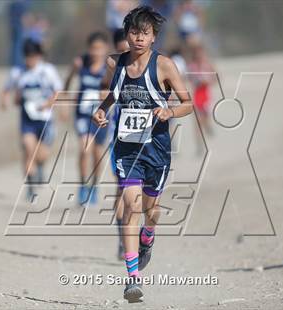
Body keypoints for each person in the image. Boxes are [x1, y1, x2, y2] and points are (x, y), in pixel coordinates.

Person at [93, 6, 193, 302]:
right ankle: (132, 279)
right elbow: (112, 94)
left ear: (154, 37)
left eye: (144, 33)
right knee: (130, 207)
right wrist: (101, 110)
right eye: (133, 32)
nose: (138, 38)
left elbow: (187, 103)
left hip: (157, 149)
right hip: (126, 148)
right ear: (126, 35)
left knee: (151, 211)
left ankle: (148, 235)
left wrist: (169, 111)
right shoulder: (115, 64)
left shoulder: (164, 66)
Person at [0, 39, 63, 200]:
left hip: (45, 119)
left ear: (39, 56)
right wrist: (5, 100)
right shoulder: (18, 72)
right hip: (27, 119)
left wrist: (49, 104)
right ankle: (30, 186)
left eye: (33, 57)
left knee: (41, 155)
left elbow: (58, 91)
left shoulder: (47, 71)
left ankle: (40, 166)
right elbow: (7, 89)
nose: (30, 60)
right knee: (29, 150)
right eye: (27, 57)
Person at [64, 32, 110, 206]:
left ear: (105, 49)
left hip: (102, 116)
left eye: (99, 48)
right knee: (85, 149)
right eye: (93, 48)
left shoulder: (110, 67)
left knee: (98, 154)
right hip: (83, 115)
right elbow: (68, 80)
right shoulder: (81, 63)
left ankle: (94, 187)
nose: (96, 52)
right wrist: (66, 95)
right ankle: (83, 185)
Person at [106, 28, 130, 260]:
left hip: (147, 139)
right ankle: (123, 240)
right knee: (123, 189)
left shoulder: (149, 65)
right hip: (120, 138)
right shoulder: (114, 67)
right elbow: (105, 89)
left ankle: (136, 237)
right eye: (122, 50)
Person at [187, 42, 215, 146]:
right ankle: (199, 145)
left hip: (207, 94)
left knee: (206, 118)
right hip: (197, 95)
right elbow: (188, 79)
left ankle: (208, 127)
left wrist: (208, 81)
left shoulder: (208, 65)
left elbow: (216, 78)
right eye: (197, 53)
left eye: (200, 53)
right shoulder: (191, 66)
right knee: (198, 122)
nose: (199, 55)